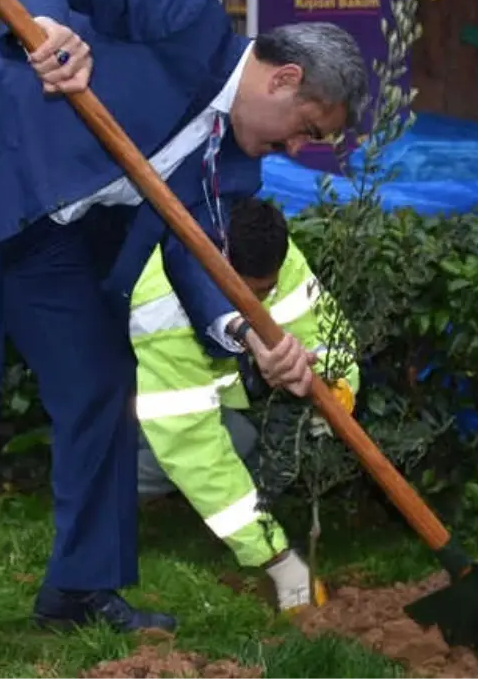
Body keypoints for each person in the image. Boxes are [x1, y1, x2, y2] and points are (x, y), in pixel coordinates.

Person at [0, 0, 368, 679]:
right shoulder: (184, 14)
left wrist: (246, 334)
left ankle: (80, 588)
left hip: (51, 231)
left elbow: (200, 258)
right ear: (283, 79)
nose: (295, 150)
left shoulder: (236, 170)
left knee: (99, 379)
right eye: (305, 132)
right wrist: (48, 21)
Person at [131, 197, 360, 612]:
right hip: (122, 390)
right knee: (196, 453)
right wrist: (277, 559)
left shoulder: (275, 255)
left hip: (188, 397)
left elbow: (322, 331)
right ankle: (95, 493)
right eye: (247, 293)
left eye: (266, 291)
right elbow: (194, 448)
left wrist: (337, 383)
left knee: (242, 438)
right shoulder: (167, 309)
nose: (259, 302)